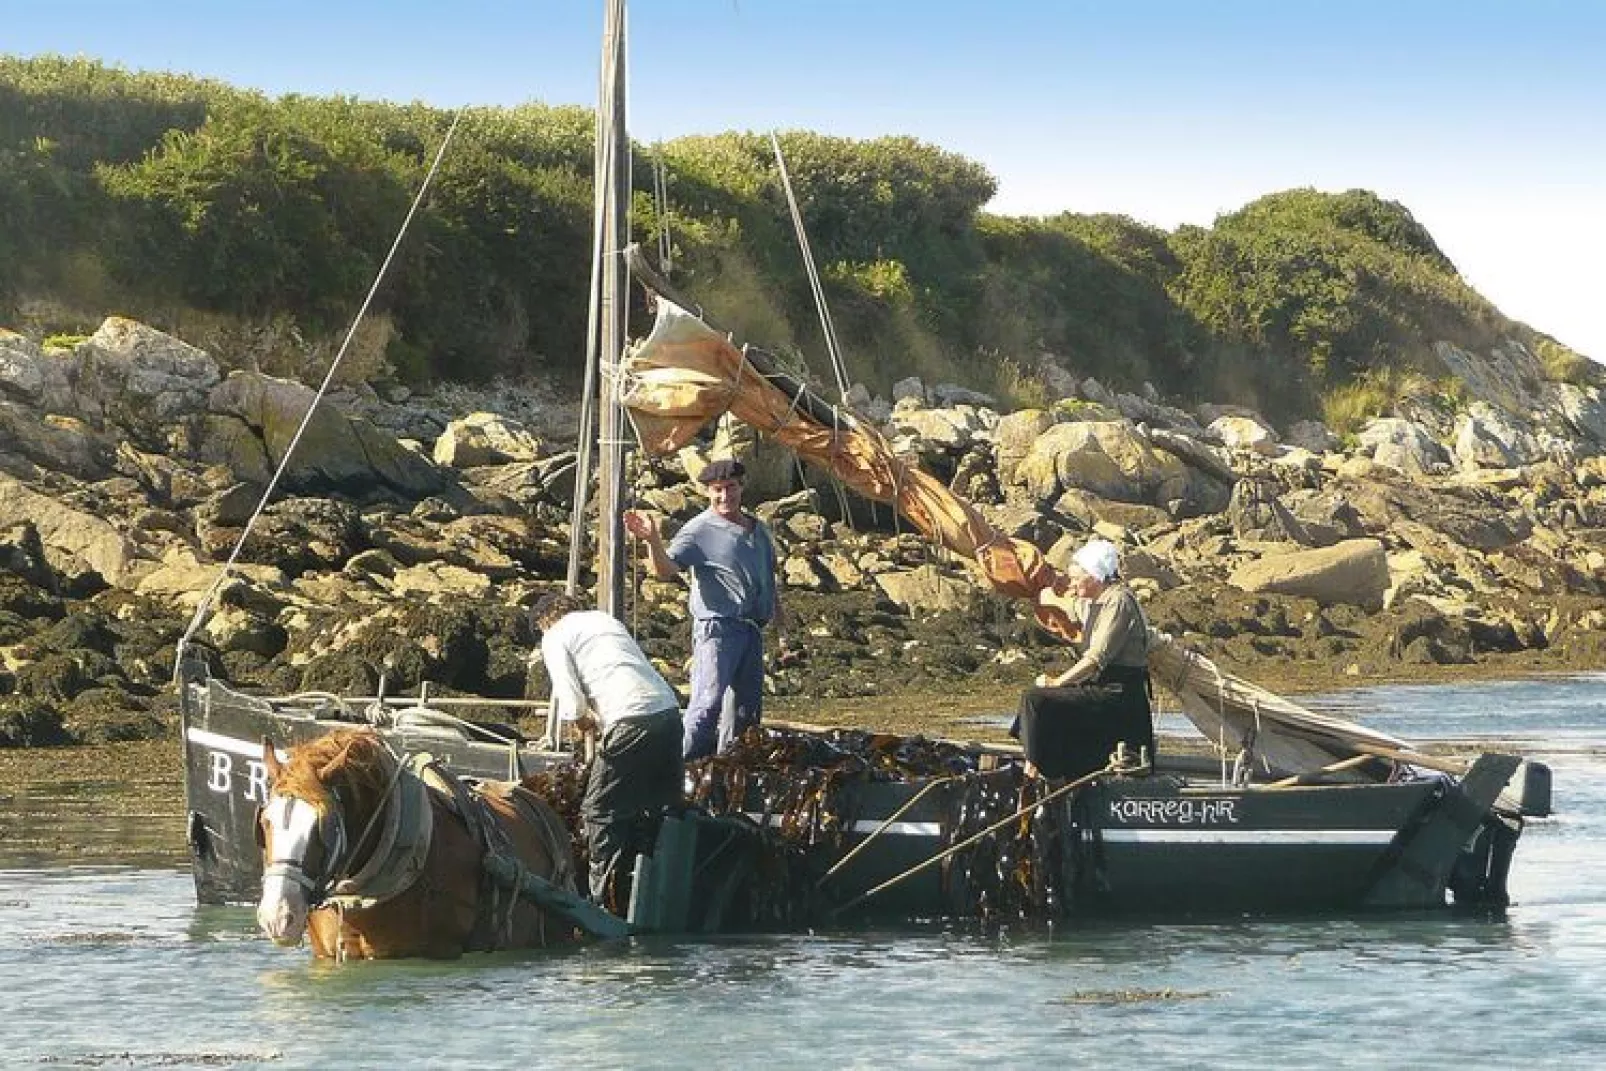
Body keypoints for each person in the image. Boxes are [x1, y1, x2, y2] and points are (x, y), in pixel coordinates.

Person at [622, 457, 784, 761]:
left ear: (741, 487)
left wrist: (781, 624)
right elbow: (665, 569)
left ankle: (730, 772)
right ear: (707, 492)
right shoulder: (698, 530)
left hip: (752, 631)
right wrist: (653, 540)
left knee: (746, 713)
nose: (725, 496)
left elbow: (768, 576)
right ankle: (677, 768)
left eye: (731, 488)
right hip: (718, 629)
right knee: (707, 703)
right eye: (717, 490)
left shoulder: (758, 530)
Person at [531, 592, 683, 910]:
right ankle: (663, 893)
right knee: (659, 809)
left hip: (630, 719)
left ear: (544, 622)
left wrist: (584, 722)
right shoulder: (604, 621)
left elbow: (571, 702)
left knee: (598, 809)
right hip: (668, 713)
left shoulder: (555, 636)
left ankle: (603, 901)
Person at [1012, 538, 1155, 781]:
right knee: (1040, 698)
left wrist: (1059, 683)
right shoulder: (1093, 601)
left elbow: (1095, 659)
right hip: (1099, 688)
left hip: (1118, 696)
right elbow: (1068, 604)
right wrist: (1038, 591)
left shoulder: (1118, 601)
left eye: (1077, 577)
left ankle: (1038, 769)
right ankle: (1041, 762)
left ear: (1095, 576)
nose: (1072, 582)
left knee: (1036, 699)